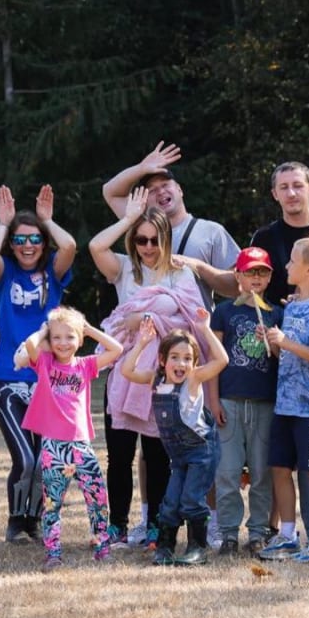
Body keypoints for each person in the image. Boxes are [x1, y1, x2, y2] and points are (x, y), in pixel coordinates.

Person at [89, 187, 205, 549]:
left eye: (155, 240)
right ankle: (118, 526)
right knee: (119, 455)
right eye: (141, 240)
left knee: (157, 456)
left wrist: (144, 318)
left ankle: (155, 524)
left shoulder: (181, 275)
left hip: (161, 377)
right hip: (125, 374)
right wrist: (128, 218)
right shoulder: (126, 269)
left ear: (166, 239)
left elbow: (189, 321)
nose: (149, 247)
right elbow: (95, 246)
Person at [0, 184, 76, 543]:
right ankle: (15, 521)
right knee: (25, 457)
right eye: (20, 239)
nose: (27, 245)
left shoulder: (54, 271)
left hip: (47, 379)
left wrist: (47, 221)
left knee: (43, 457)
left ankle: (32, 522)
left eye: (34, 239)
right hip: (6, 377)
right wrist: (3, 224)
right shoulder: (4, 272)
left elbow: (69, 246)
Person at [16, 306, 123, 571]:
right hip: (54, 446)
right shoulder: (45, 363)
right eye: (57, 338)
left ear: (80, 339)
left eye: (70, 337)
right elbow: (30, 345)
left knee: (97, 498)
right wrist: (45, 330)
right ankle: (53, 553)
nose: (63, 343)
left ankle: (102, 547)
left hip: (81, 444)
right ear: (49, 340)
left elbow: (116, 349)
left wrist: (89, 329)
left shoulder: (85, 365)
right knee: (52, 503)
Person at [122, 311, 228, 566]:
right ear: (162, 360)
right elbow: (127, 370)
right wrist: (142, 343)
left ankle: (197, 548)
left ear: (194, 363)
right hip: (178, 456)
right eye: (175, 357)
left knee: (191, 500)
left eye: (188, 359)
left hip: (201, 452)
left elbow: (222, 360)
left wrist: (204, 329)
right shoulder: (155, 379)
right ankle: (165, 547)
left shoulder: (193, 379)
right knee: (170, 502)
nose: (181, 364)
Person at [257, 237, 309, 563]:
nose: (286, 265)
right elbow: (288, 354)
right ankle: (288, 535)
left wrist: (287, 342)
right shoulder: (292, 306)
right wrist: (275, 343)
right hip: (285, 404)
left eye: (292, 261)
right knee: (279, 467)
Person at [207, 247, 283, 556]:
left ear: (270, 277)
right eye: (250, 272)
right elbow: (214, 359)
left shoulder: (276, 313)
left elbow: (283, 359)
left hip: (264, 402)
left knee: (262, 471)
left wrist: (273, 342)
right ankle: (228, 532)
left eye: (262, 272)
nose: (256, 277)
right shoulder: (224, 312)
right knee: (228, 470)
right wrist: (213, 401)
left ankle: (258, 532)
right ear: (237, 276)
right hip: (230, 400)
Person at [101, 141, 241, 307]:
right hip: (145, 322)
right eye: (152, 190)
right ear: (144, 200)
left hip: (194, 323)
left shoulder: (211, 231)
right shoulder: (139, 226)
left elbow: (238, 286)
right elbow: (110, 192)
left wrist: (198, 267)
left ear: (180, 190)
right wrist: (141, 168)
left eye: (165, 185)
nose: (161, 191)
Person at [251, 162, 309, 305]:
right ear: (275, 194)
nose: (291, 194)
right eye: (284, 187)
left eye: (298, 186)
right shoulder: (263, 238)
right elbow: (252, 287)